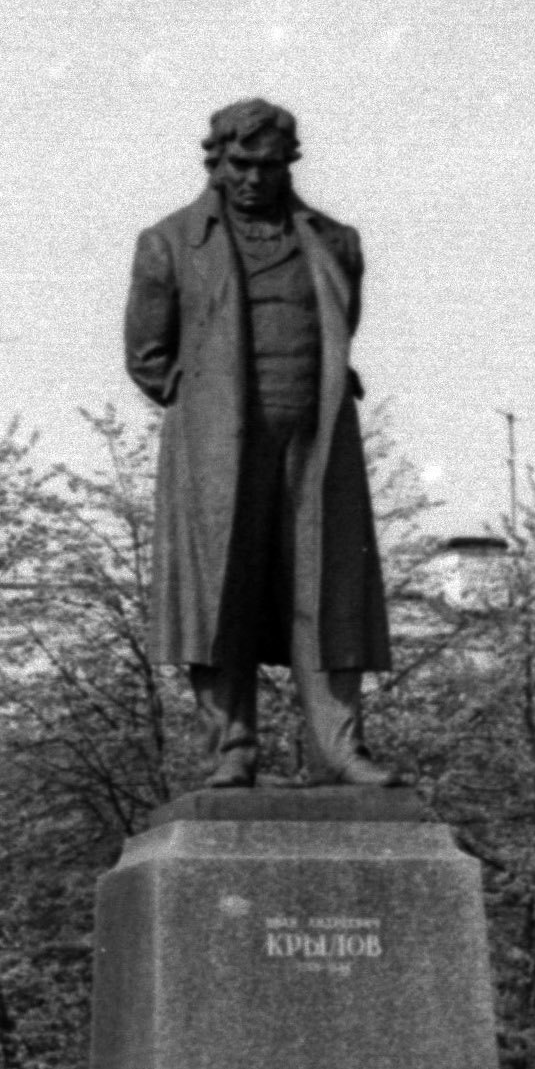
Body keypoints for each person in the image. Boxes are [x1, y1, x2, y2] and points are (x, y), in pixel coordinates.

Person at [121, 98, 399, 788]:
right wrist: (205, 405)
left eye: (268, 167)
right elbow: (147, 354)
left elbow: (341, 324)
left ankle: (339, 748)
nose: (253, 179)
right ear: (216, 162)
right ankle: (232, 749)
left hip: (316, 438)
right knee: (220, 592)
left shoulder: (336, 242)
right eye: (240, 165)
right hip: (218, 448)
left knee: (329, 587)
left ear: (289, 166)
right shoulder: (169, 242)